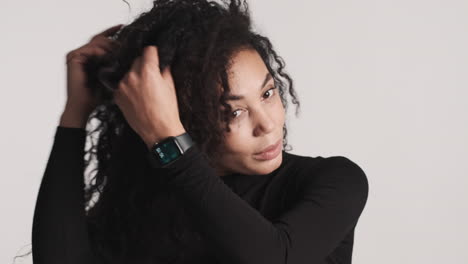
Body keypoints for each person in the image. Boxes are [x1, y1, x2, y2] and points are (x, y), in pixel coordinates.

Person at [28, 0, 369, 263]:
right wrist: (74, 115)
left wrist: (167, 141)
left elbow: (272, 257)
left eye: (267, 93)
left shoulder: (332, 181)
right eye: (232, 111)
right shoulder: (147, 203)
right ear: (182, 117)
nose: (267, 124)